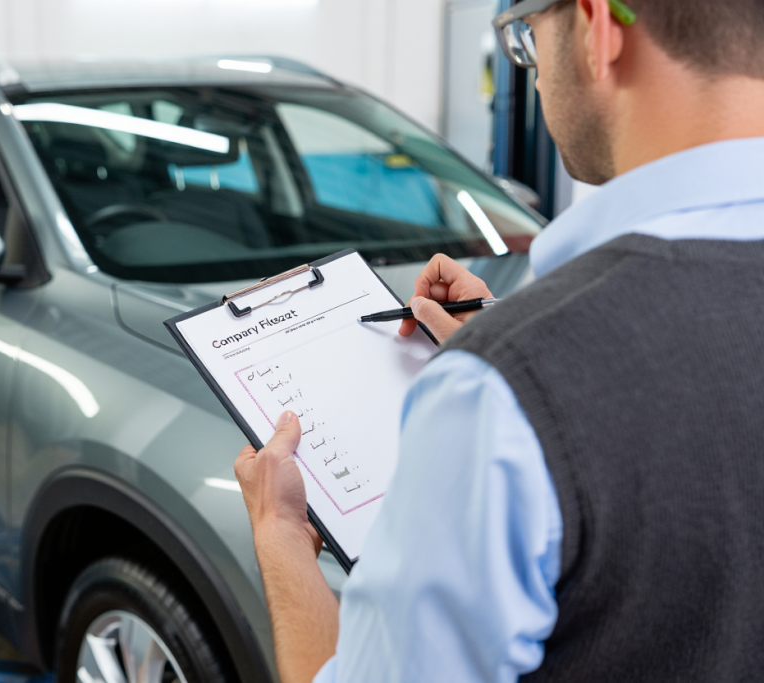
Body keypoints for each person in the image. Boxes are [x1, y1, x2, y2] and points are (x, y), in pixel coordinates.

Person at [233, 0, 764, 680]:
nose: (536, 77)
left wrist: (280, 532)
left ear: (598, 26)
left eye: (529, 37)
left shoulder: (506, 391)